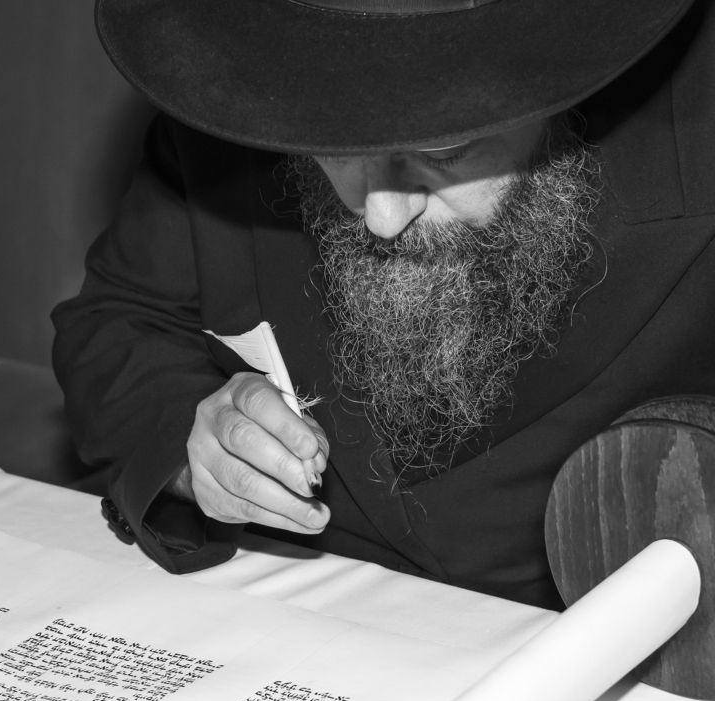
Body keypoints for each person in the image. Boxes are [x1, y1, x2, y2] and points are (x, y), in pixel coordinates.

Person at [52, 0, 715, 609]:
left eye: (443, 152)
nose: (382, 216)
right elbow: (116, 322)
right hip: (283, 616)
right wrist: (192, 453)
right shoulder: (243, 101)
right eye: (336, 148)